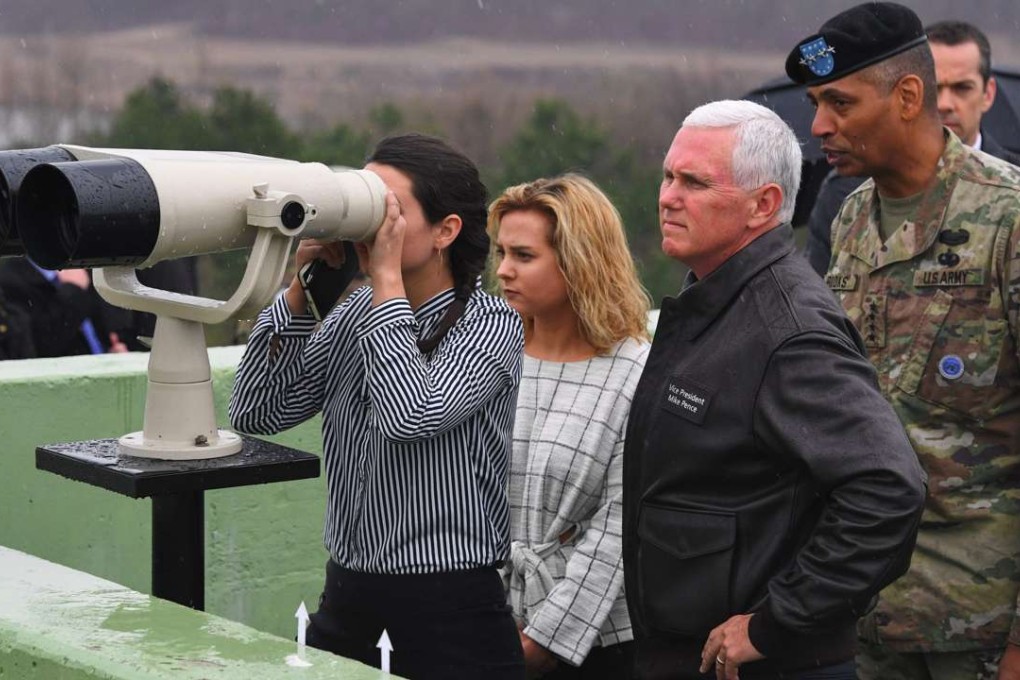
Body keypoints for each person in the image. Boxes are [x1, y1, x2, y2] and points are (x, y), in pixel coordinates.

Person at [622, 99, 926, 680]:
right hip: (690, 656)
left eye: (694, 182)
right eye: (667, 176)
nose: (667, 197)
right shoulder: (718, 301)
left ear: (763, 205)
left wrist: (777, 622)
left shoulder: (788, 329)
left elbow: (889, 487)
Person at [229, 133, 526, 679]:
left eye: (390, 207)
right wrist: (301, 289)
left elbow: (409, 416)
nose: (373, 222)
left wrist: (385, 280)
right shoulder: (354, 312)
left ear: (446, 230)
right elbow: (256, 411)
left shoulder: (491, 326)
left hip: (450, 608)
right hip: (349, 594)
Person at [787, 3, 1020, 678]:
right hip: (869, 611)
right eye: (816, 103)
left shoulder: (1005, 217)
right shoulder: (854, 215)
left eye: (839, 102)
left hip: (977, 619)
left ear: (908, 97)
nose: (819, 125)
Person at [488, 174, 650, 678]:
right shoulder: (489, 356)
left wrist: (542, 643)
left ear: (578, 261)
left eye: (524, 256)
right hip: (488, 623)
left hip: (600, 646)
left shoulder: (636, 372)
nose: (504, 271)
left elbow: (619, 530)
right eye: (500, 253)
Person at [803, 18, 1020, 276]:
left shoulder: (1011, 200)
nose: (945, 104)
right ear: (911, 95)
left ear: (988, 93)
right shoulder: (846, 201)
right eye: (935, 88)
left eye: (962, 88)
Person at [0, 258, 126, 356]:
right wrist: (73, 290)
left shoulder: (84, 265)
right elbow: (40, 343)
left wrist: (111, 354)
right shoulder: (11, 280)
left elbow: (109, 324)